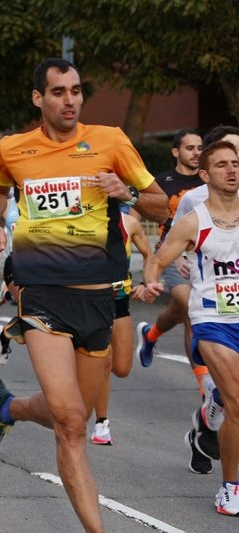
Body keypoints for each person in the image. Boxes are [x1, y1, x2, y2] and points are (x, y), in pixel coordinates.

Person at [0, 57, 167, 531]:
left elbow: (160, 203)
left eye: (77, 91)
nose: (70, 100)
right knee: (69, 424)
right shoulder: (14, 148)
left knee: (75, 414)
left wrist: (123, 191)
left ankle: (6, 407)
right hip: (41, 294)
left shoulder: (110, 141)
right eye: (59, 92)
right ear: (38, 98)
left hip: (97, 296)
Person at [140, 140, 239, 517]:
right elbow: (158, 257)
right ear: (204, 174)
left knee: (228, 401)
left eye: (236, 163)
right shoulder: (194, 221)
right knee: (238, 403)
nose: (231, 170)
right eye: (222, 165)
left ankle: (207, 414)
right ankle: (230, 487)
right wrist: (151, 281)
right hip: (213, 320)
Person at [134, 129, 204, 371]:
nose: (196, 153)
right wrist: (148, 259)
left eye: (200, 148)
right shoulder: (162, 183)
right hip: (173, 255)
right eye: (190, 148)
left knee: (177, 310)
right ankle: (205, 391)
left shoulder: (210, 182)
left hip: (204, 255)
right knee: (191, 314)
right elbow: (133, 221)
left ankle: (150, 334)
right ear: (176, 151)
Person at [90, 209, 151, 445]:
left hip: (119, 302)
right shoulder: (81, 221)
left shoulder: (130, 223)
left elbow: (149, 254)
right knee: (104, 362)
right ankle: (101, 423)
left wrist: (147, 282)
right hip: (91, 302)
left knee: (122, 368)